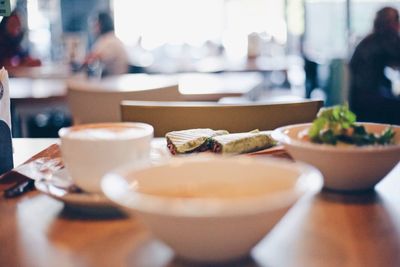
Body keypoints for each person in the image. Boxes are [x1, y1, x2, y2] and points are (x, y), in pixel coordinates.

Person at [349, 7, 400, 124]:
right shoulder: (385, 38)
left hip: (357, 100)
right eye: (397, 19)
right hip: (370, 100)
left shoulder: (369, 40)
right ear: (390, 23)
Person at [84, 12, 129, 77]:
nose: (93, 29)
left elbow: (92, 58)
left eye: (96, 25)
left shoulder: (108, 40)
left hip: (114, 80)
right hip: (118, 78)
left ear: (102, 24)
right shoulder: (113, 38)